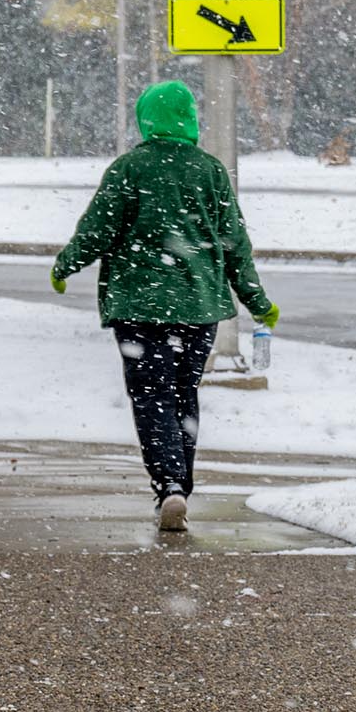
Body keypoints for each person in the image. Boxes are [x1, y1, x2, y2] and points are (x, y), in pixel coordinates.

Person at [49, 79, 278, 532]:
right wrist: (256, 300)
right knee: (183, 394)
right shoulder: (210, 171)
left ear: (146, 120)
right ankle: (180, 486)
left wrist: (65, 264)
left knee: (150, 397)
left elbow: (98, 230)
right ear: (190, 120)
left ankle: (169, 485)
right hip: (198, 308)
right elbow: (234, 243)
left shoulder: (128, 169)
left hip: (139, 307)